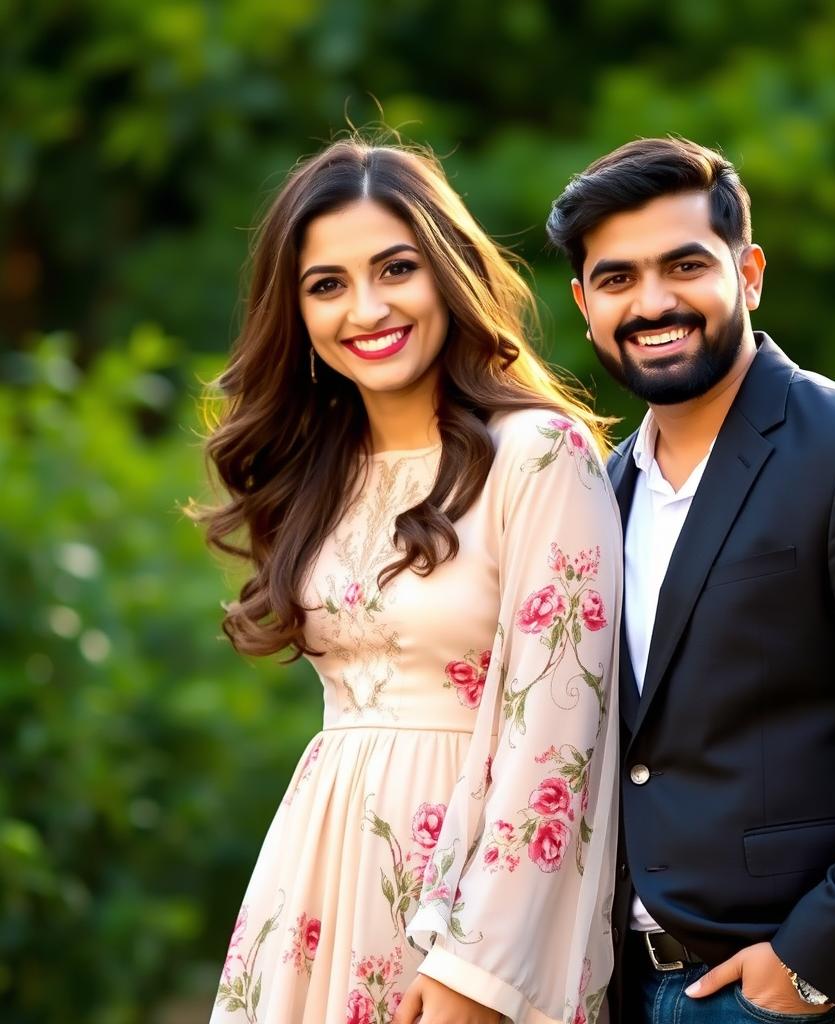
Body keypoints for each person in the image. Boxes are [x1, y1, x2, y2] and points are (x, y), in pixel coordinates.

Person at [545, 136, 835, 1024]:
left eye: (684, 265)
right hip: (633, 991)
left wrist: (810, 963)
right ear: (585, 303)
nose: (653, 303)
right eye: (617, 279)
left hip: (816, 993)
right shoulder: (597, 494)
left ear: (748, 272)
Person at [194, 137, 622, 1024]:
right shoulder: (320, 470)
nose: (367, 308)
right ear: (298, 311)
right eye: (328, 284)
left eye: (397, 268)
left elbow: (559, 738)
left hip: (463, 907)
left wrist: (481, 973)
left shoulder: (540, 456)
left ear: (449, 273)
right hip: (315, 879)